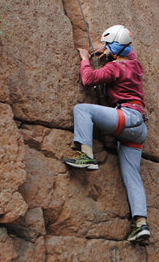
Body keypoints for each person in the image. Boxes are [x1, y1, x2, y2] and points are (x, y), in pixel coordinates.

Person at [63, 25, 150, 242]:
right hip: (138, 129)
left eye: (107, 46)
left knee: (82, 110)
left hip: (126, 118)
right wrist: (103, 49)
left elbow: (89, 79)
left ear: (113, 48)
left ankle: (86, 155)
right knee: (132, 176)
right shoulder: (135, 64)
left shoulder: (115, 69)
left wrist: (85, 57)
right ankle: (141, 224)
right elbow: (122, 47)